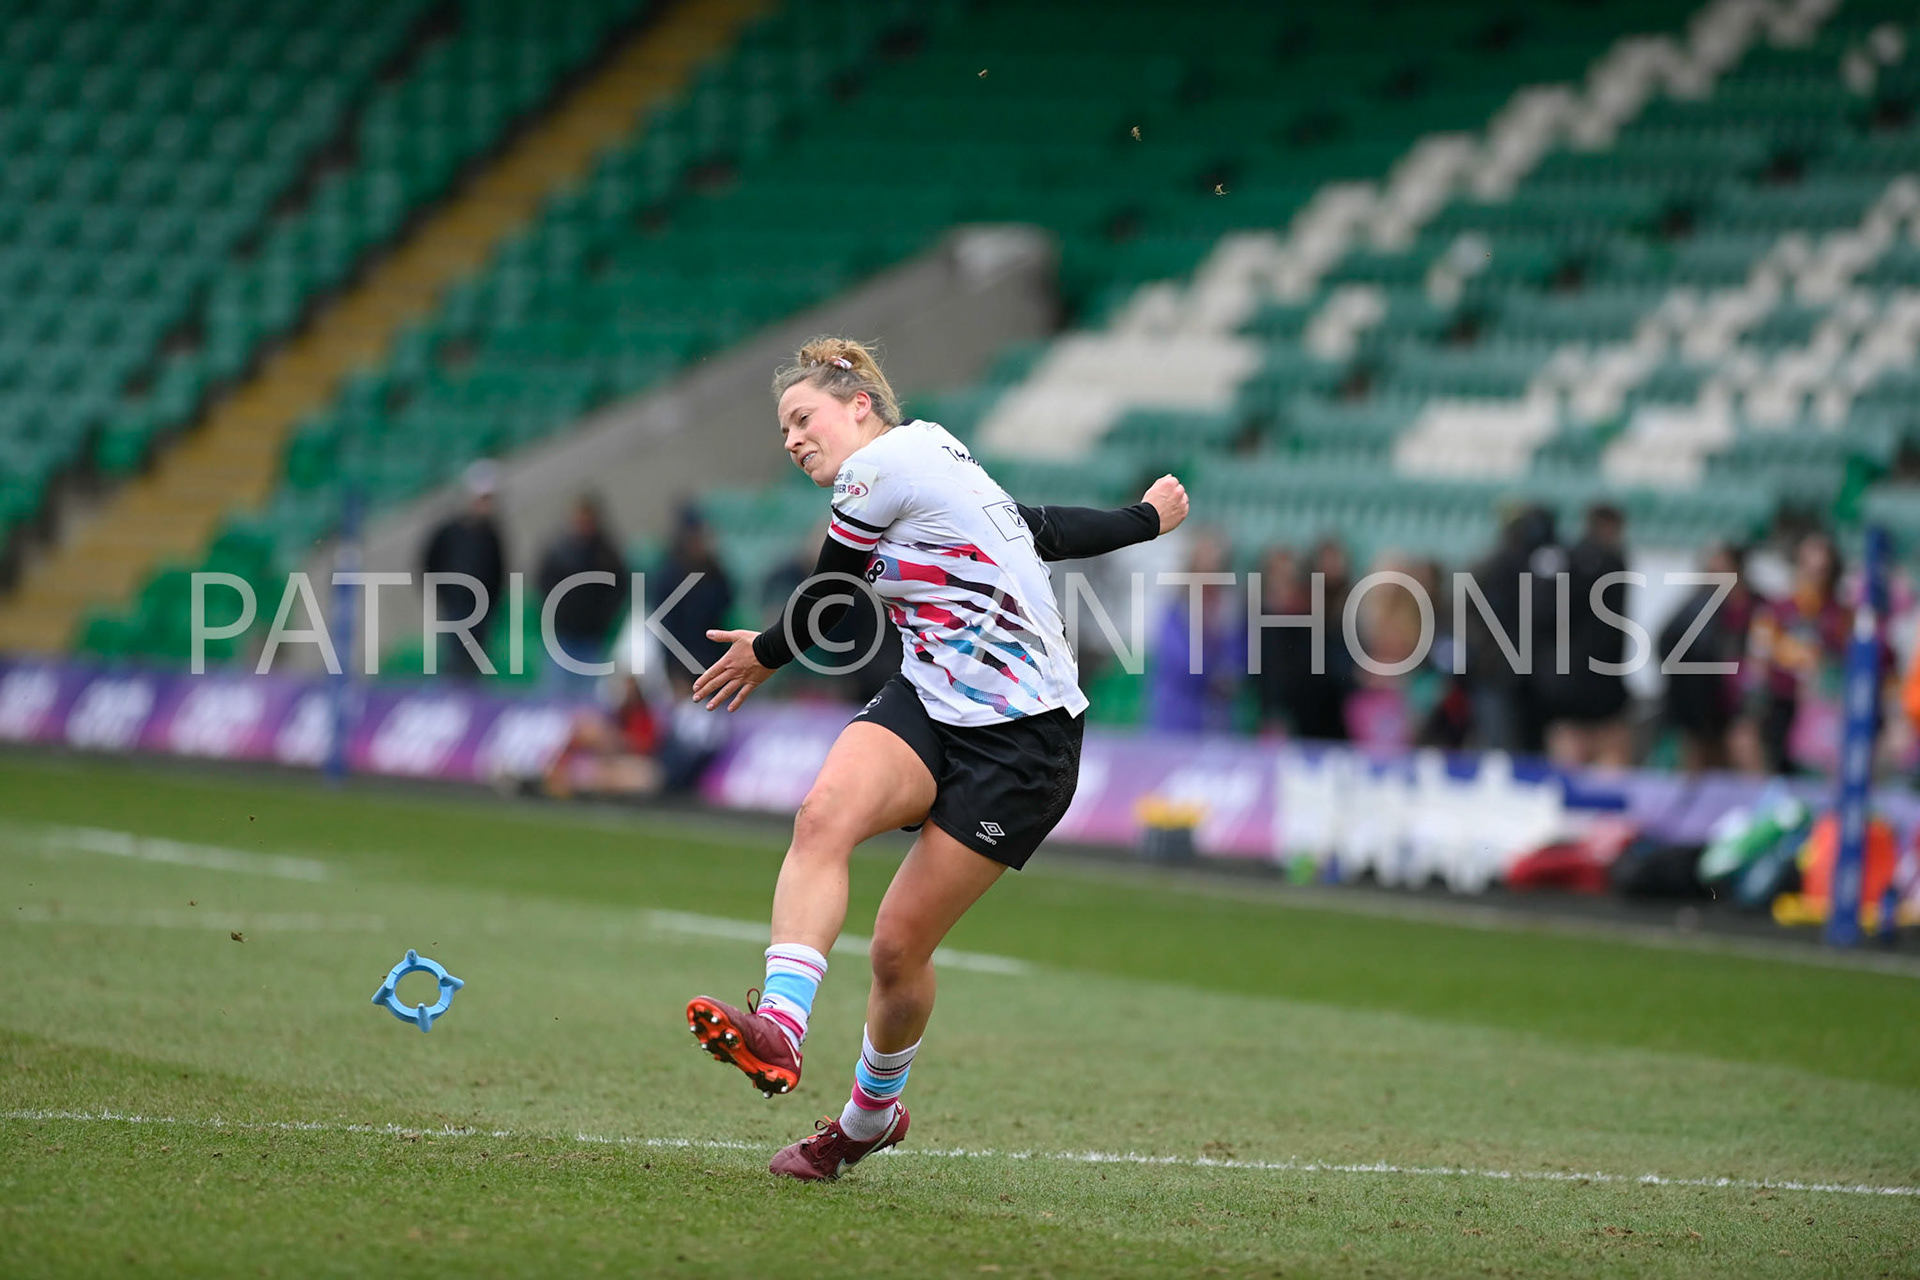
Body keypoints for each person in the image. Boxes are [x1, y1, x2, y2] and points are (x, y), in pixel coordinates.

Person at [683, 337, 1188, 1181]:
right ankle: (780, 1027)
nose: (793, 440)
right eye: (783, 430)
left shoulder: (880, 467)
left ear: (859, 406)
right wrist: (1143, 519)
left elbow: (830, 597)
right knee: (822, 816)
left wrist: (765, 654)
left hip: (1024, 741)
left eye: (802, 418)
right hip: (929, 699)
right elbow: (1037, 529)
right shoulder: (932, 459)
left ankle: (866, 1119)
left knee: (896, 951)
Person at [1530, 503, 1634, 768]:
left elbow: (1542, 618)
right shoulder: (1612, 564)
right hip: (1599, 685)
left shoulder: (1563, 560)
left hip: (1564, 682)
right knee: (1606, 754)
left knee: (1569, 756)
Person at [1746, 530, 1850, 775]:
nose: (1814, 577)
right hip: (1781, 703)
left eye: (1822, 571)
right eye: (1808, 567)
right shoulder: (1776, 610)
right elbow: (1758, 656)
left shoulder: (1841, 615)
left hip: (1822, 709)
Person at [1658, 543, 1753, 772]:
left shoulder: (1751, 607)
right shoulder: (1697, 606)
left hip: (1739, 703)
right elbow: (1668, 644)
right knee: (1698, 764)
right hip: (1701, 705)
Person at [419, 460, 507, 679]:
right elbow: (429, 563)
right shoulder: (449, 531)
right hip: (455, 608)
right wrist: (443, 595)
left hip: (483, 611)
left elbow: (499, 571)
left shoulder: (492, 534)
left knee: (475, 666)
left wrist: (492, 603)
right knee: (454, 664)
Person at [1145, 530, 1239, 733]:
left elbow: (1237, 655)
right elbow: (1177, 660)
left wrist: (1228, 672)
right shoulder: (1176, 607)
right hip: (1177, 716)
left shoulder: (1228, 607)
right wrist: (1212, 670)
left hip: (1217, 717)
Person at [536, 494, 627, 695]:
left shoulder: (606, 554)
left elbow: (619, 589)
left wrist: (602, 618)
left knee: (586, 696)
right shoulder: (557, 551)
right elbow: (543, 584)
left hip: (592, 638)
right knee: (557, 694)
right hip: (561, 636)